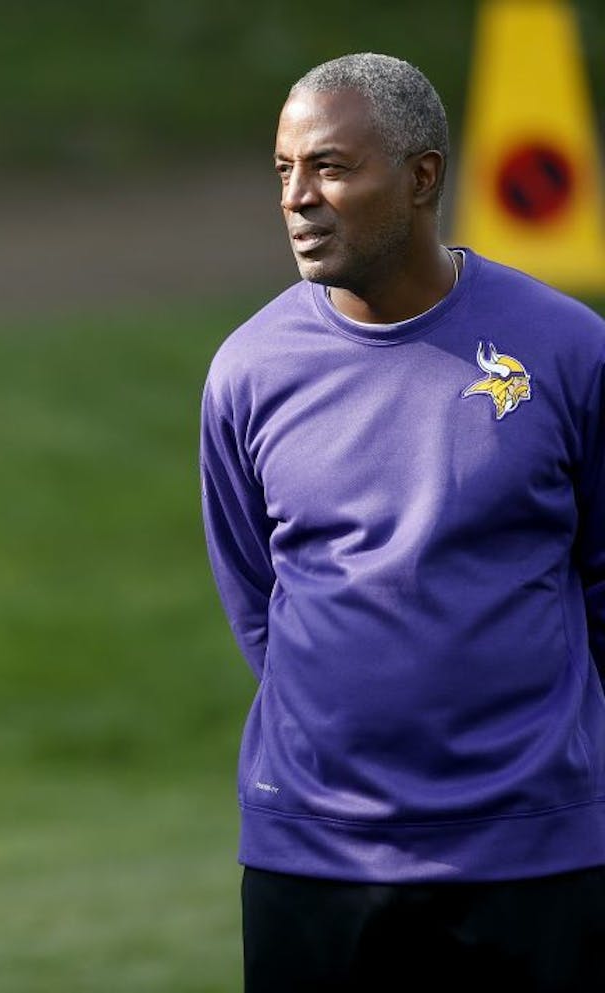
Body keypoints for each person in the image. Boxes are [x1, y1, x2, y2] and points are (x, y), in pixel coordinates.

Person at [200, 52, 605, 991]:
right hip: (316, 862)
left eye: (332, 167)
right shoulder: (247, 373)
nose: (298, 197)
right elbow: (259, 596)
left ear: (423, 177)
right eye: (284, 170)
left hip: (536, 858)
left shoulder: (571, 350)